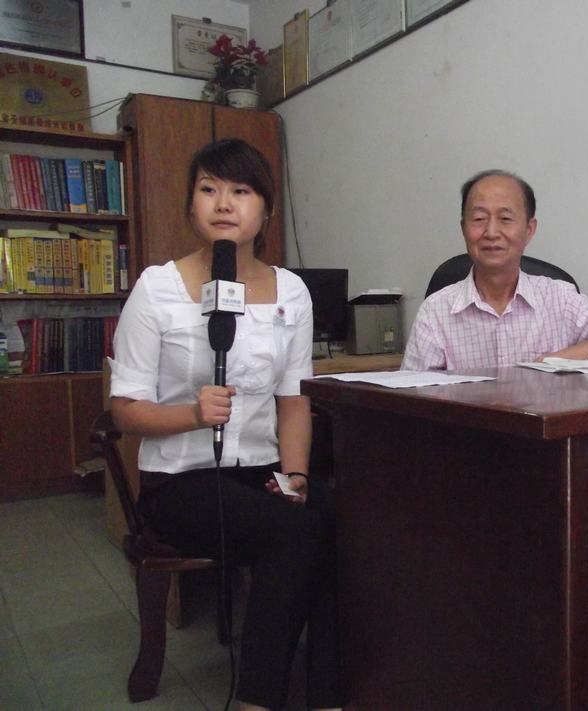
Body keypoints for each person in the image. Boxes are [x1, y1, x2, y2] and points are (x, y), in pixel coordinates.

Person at [108, 138, 341, 711]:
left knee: (332, 519)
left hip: (261, 471)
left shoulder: (291, 291)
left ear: (265, 210)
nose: (223, 203)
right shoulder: (157, 288)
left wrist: (295, 478)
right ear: (191, 205)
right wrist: (191, 414)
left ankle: (331, 694)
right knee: (297, 533)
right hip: (180, 481)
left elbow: (294, 401)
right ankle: (259, 700)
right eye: (209, 189)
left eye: (241, 191)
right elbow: (125, 409)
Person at [402, 169, 588, 371]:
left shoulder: (560, 298)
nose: (491, 232)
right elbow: (412, 398)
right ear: (464, 228)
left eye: (505, 219)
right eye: (479, 219)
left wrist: (551, 361)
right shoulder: (435, 312)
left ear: (529, 230)